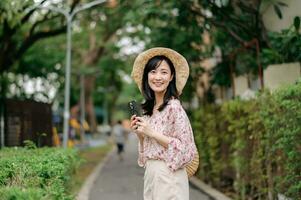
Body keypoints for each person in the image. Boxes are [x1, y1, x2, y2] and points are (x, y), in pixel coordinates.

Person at [130, 47, 198, 200]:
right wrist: (141, 135)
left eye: (164, 72)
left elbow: (186, 149)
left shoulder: (174, 107)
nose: (158, 77)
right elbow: (145, 157)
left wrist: (152, 133)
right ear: (147, 76)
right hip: (151, 175)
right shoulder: (148, 109)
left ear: (171, 77)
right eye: (153, 72)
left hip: (169, 176)